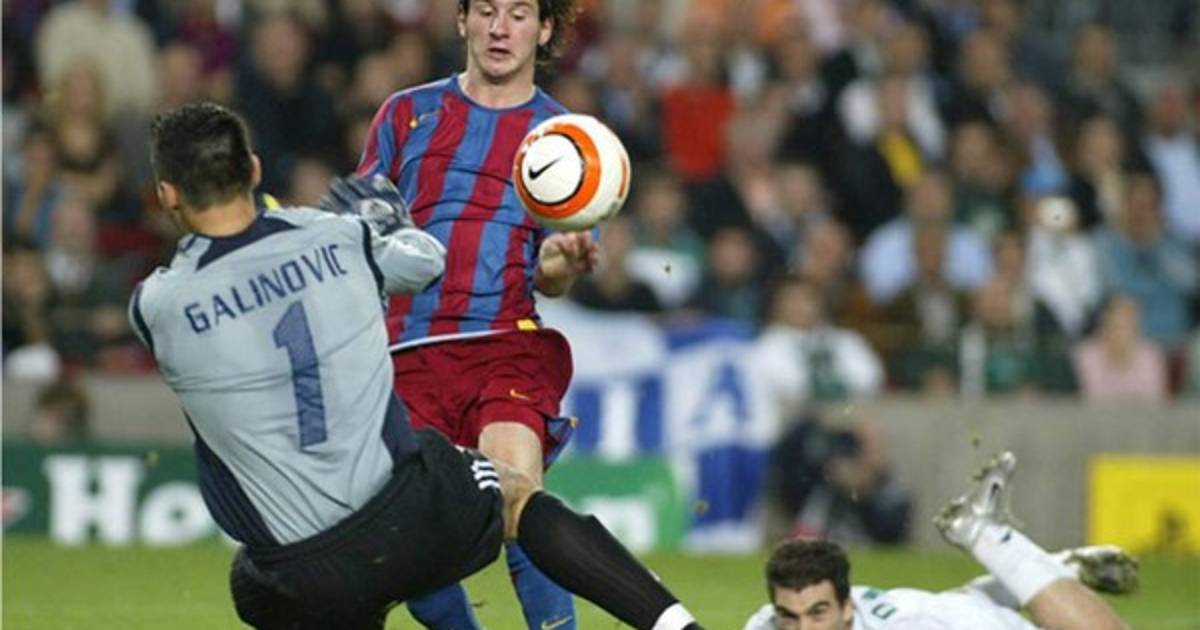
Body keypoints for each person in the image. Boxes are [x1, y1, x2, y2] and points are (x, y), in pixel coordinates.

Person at [132, 102, 704, 630]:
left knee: (251, 585)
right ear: (255, 170)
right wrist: (386, 220)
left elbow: (237, 294)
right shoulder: (337, 238)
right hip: (397, 516)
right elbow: (425, 264)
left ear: (166, 195)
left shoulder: (157, 306)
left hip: (299, 571)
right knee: (514, 493)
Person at [355, 2, 600, 628]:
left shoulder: (565, 138)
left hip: (503, 342)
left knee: (518, 496)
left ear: (545, 29)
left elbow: (551, 275)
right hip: (406, 351)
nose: (500, 28)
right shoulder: (405, 114)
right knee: (407, 544)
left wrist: (561, 261)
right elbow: (364, 230)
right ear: (462, 20)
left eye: (518, 13)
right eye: (486, 10)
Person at [743, 452, 1136, 630]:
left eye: (818, 615)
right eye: (789, 618)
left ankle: (991, 539)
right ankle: (1059, 568)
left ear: (847, 609)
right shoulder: (764, 627)